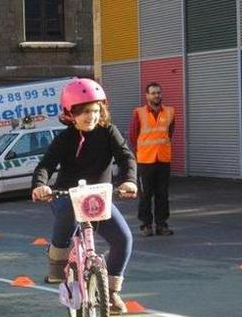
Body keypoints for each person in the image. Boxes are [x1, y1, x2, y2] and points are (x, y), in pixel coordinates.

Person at [31, 78, 138, 315]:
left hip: (98, 197)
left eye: (96, 111)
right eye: (85, 112)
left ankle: (111, 292)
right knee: (68, 210)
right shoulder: (64, 139)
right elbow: (45, 166)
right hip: (65, 195)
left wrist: (128, 180)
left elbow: (125, 157)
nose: (91, 117)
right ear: (71, 113)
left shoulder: (108, 132)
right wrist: (41, 185)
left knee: (123, 238)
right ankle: (57, 259)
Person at [128, 82, 176, 237]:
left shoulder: (169, 112)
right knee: (146, 194)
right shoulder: (139, 113)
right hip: (145, 160)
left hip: (163, 159)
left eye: (158, 93)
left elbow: (170, 132)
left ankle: (162, 225)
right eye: (153, 93)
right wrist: (140, 152)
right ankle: (146, 225)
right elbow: (133, 136)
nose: (157, 95)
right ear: (147, 95)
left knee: (162, 194)